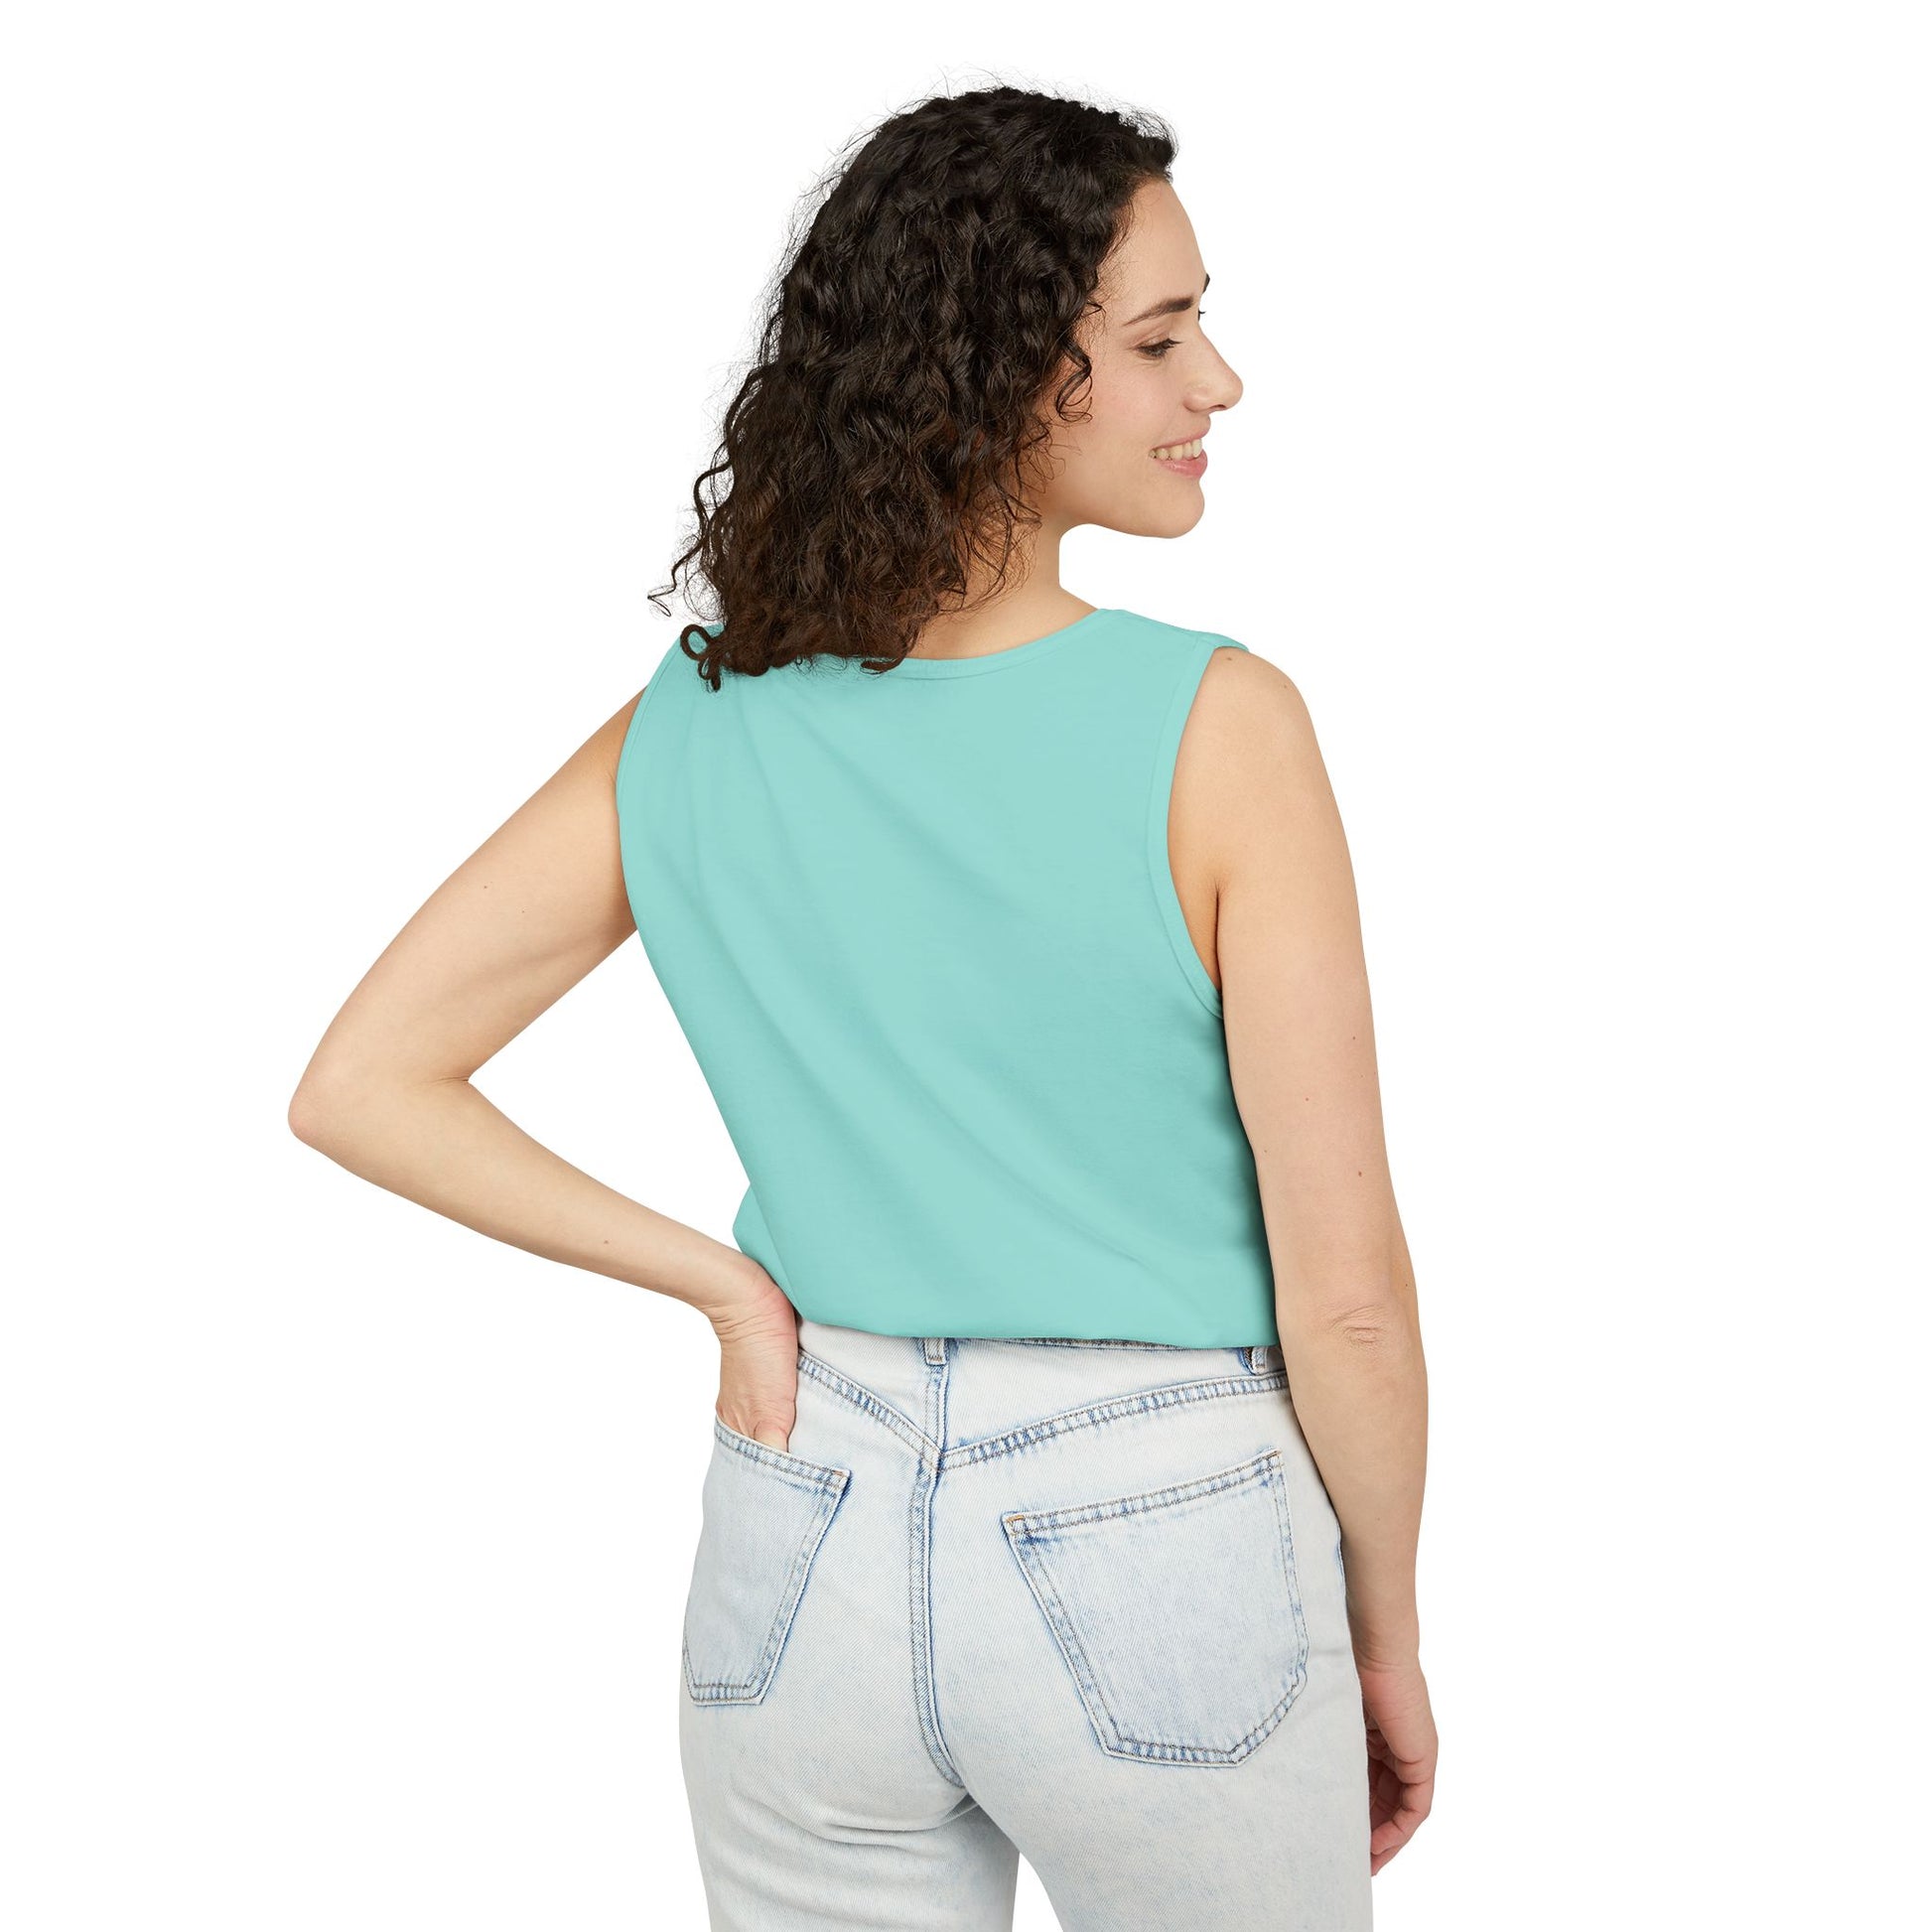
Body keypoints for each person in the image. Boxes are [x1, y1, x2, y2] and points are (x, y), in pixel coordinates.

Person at [291, 84, 1435, 1931]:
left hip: (800, 1515)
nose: (1215, 381)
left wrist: (729, 1287)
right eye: (1159, 339)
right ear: (998, 369)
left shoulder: (692, 720)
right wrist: (1378, 1626)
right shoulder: (1219, 728)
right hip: (1163, 1525)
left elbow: (363, 1079)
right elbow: (1349, 1299)